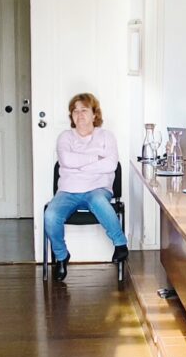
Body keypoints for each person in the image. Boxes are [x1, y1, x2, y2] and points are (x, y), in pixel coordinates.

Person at [44, 91, 127, 282]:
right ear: (71, 116)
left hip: (98, 188)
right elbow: (65, 159)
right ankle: (61, 256)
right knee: (51, 215)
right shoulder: (65, 137)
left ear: (94, 114)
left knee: (98, 200)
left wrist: (78, 165)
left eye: (84, 110)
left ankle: (120, 245)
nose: (79, 115)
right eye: (75, 111)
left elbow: (111, 165)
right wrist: (95, 159)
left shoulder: (106, 136)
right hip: (67, 190)